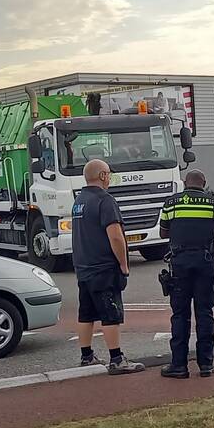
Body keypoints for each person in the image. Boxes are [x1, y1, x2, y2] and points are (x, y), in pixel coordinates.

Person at [71, 159, 145, 374]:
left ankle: (86, 356)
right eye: (109, 174)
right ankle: (117, 359)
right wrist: (123, 263)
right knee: (110, 313)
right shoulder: (105, 200)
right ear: (103, 175)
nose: (110, 178)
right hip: (103, 267)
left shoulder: (79, 200)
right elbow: (115, 236)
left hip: (84, 266)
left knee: (86, 313)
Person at [159, 170, 214, 379]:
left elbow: (163, 232)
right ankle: (206, 365)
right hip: (205, 263)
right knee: (205, 312)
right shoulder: (213, 204)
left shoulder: (171, 203)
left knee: (180, 314)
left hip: (179, 264)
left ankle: (179, 366)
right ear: (204, 183)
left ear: (184, 183)